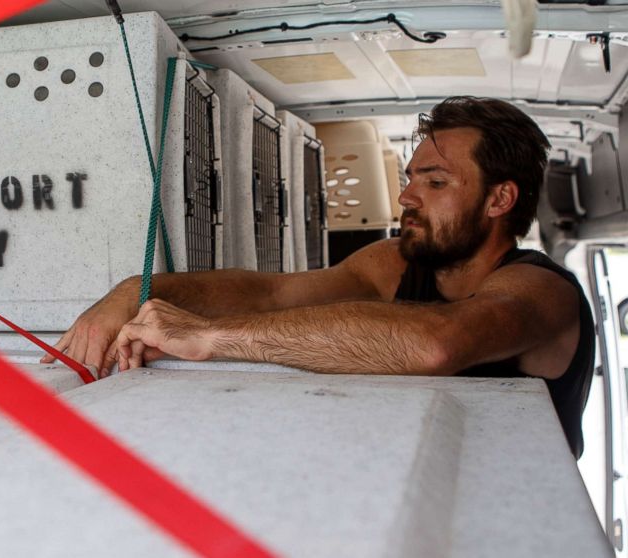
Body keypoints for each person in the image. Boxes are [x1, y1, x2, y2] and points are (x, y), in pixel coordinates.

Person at [42, 96, 594, 456]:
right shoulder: (394, 262)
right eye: (410, 179)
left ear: (500, 199)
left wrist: (210, 337)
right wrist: (136, 293)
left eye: (435, 182)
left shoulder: (544, 291)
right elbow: (270, 292)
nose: (406, 196)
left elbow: (437, 345)